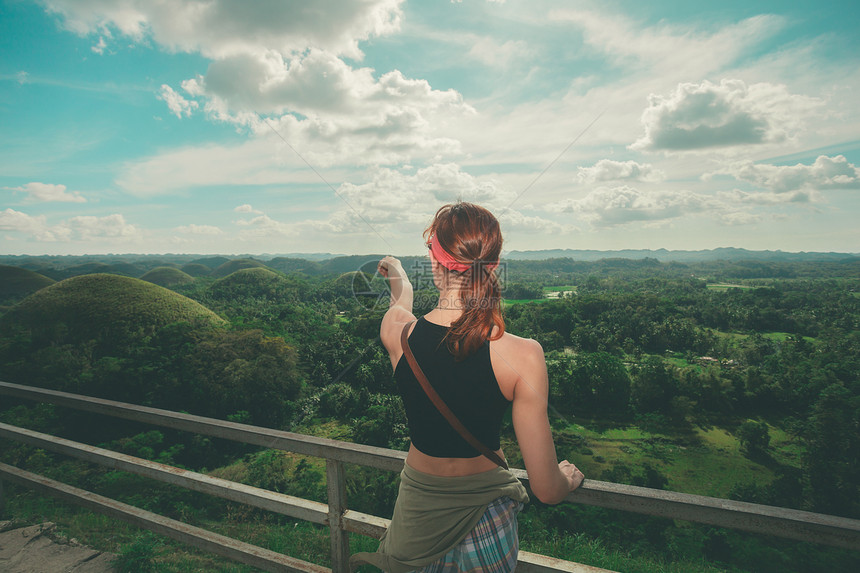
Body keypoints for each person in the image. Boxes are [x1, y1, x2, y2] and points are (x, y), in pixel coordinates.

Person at [351, 202, 584, 572]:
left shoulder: (398, 334)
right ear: (492, 264)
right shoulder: (524, 355)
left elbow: (401, 303)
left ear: (433, 259)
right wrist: (567, 480)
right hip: (487, 520)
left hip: (417, 517)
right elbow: (546, 489)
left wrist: (398, 273)